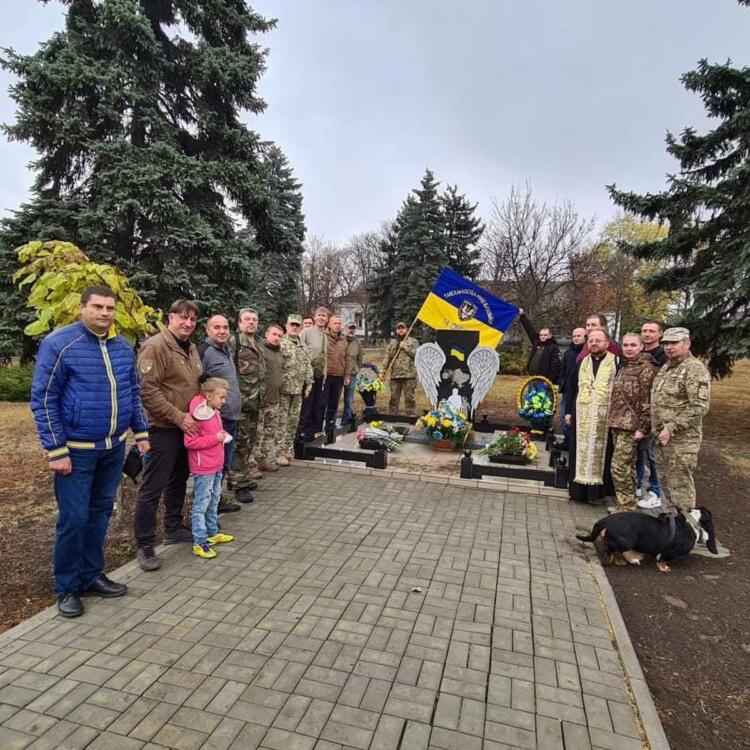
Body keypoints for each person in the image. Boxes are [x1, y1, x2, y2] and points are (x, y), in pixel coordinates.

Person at [30, 286, 150, 617]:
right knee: (74, 518)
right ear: (82, 308)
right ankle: (67, 586)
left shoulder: (123, 347)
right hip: (76, 451)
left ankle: (90, 575)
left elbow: (132, 392)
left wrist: (140, 432)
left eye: (110, 308)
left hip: (113, 448)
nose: (104, 313)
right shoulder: (59, 344)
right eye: (97, 306)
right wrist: (56, 449)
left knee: (100, 513)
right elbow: (43, 398)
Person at [134, 299, 203, 571]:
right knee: (152, 487)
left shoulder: (192, 348)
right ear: (170, 317)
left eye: (193, 320)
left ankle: (173, 528)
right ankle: (145, 545)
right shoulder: (155, 346)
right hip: (164, 428)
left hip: (188, 428)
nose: (188, 323)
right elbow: (148, 391)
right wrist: (178, 417)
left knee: (178, 480)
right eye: (183, 318)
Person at [650, 327, 710, 517]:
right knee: (665, 482)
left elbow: (699, 406)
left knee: (680, 484)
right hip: (661, 438)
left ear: (687, 343)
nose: (669, 347)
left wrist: (671, 427)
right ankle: (671, 524)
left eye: (674, 343)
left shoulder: (695, 369)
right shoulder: (667, 367)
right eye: (666, 343)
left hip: (681, 442)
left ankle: (687, 529)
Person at [606, 333, 658, 512]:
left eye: (633, 345)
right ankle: (627, 504)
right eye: (626, 345)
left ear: (641, 346)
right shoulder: (625, 366)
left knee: (619, 467)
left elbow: (648, 401)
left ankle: (626, 506)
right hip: (618, 423)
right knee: (628, 467)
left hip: (633, 427)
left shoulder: (646, 369)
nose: (628, 348)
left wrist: (643, 428)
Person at [184, 378, 235, 559]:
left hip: (216, 464)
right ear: (208, 396)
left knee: (214, 499)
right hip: (203, 467)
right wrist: (216, 438)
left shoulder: (213, 411)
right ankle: (199, 541)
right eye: (221, 397)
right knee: (201, 504)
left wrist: (221, 437)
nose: (224, 401)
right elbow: (190, 442)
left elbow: (215, 435)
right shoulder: (198, 416)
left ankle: (212, 532)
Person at [565, 328, 617, 505]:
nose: (594, 343)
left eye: (598, 340)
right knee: (579, 451)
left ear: (606, 343)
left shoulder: (615, 362)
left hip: (604, 416)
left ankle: (596, 494)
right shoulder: (582, 362)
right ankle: (578, 493)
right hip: (582, 416)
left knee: (602, 453)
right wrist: (568, 412)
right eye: (591, 341)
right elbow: (572, 387)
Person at [199, 315, 242, 513]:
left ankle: (216, 501)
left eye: (226, 327)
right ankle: (208, 505)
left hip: (230, 416)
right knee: (214, 466)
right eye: (217, 327)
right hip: (216, 420)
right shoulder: (205, 352)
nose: (222, 331)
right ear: (208, 330)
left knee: (223, 463)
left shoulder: (226, 351)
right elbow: (198, 385)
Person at [230, 308, 265, 497]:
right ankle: (238, 484)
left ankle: (240, 476)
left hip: (256, 403)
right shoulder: (234, 342)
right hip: (240, 403)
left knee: (250, 442)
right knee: (239, 444)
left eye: (254, 319)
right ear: (239, 322)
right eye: (247, 319)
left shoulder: (259, 343)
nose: (251, 322)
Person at [636, 319, 667, 507]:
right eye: (644, 331)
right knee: (639, 450)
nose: (647, 334)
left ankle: (655, 491)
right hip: (640, 411)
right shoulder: (639, 353)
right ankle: (638, 485)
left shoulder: (663, 357)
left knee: (653, 455)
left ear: (660, 334)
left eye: (651, 331)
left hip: (656, 412)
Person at [276, 315, 313, 465]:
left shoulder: (302, 346)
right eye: (292, 324)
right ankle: (278, 453)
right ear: (286, 325)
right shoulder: (281, 343)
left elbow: (307, 366)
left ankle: (287, 450)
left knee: (292, 422)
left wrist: (309, 384)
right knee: (281, 423)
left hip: (297, 390)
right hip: (283, 390)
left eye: (297, 325)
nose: (295, 327)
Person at [251, 324, 284, 472]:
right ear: (266, 334)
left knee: (270, 433)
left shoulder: (279, 353)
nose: (276, 338)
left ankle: (264, 460)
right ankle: (252, 465)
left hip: (275, 399)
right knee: (257, 435)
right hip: (261, 400)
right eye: (274, 334)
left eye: (279, 336)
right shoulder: (260, 350)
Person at [297, 306, 329, 441]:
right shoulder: (306, 332)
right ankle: (300, 436)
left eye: (324, 316)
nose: (321, 318)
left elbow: (325, 357)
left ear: (327, 319)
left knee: (316, 406)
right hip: (306, 377)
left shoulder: (325, 336)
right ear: (314, 317)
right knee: (306, 407)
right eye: (319, 315)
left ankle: (310, 435)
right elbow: (298, 350)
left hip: (320, 376)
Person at [322, 314, 352, 434]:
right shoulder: (324, 337)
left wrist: (347, 375)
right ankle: (318, 428)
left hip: (338, 376)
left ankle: (330, 426)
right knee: (322, 403)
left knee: (333, 404)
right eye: (335, 323)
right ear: (329, 324)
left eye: (339, 323)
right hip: (326, 376)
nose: (337, 325)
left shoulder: (343, 341)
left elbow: (348, 359)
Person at [557, 327, 586, 449]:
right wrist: (562, 382)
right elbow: (563, 369)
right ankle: (567, 439)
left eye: (579, 336)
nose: (576, 338)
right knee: (565, 415)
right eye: (574, 336)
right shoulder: (569, 352)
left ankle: (575, 442)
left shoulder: (586, 352)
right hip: (568, 389)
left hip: (581, 390)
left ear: (585, 337)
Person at [517, 309, 561, 382]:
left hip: (544, 381)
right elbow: (529, 329)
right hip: (532, 379)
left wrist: (550, 380)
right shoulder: (537, 342)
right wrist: (522, 316)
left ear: (550, 335)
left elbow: (555, 366)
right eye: (541, 335)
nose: (543, 337)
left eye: (545, 335)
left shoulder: (553, 348)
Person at [384, 322, 419, 414]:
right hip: (395, 376)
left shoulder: (413, 341)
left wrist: (406, 348)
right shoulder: (392, 343)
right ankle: (392, 416)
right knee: (394, 399)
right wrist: (383, 371)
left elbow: (417, 356)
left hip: (409, 375)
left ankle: (410, 417)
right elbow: (387, 357)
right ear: (396, 330)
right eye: (399, 328)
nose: (401, 330)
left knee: (409, 398)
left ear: (406, 329)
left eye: (402, 328)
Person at [342, 323, 363, 424]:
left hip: (352, 373)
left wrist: (357, 368)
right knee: (334, 398)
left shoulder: (358, 343)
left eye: (353, 329)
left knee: (349, 398)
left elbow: (360, 358)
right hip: (339, 372)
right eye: (349, 328)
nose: (351, 330)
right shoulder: (340, 340)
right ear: (345, 329)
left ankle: (346, 419)